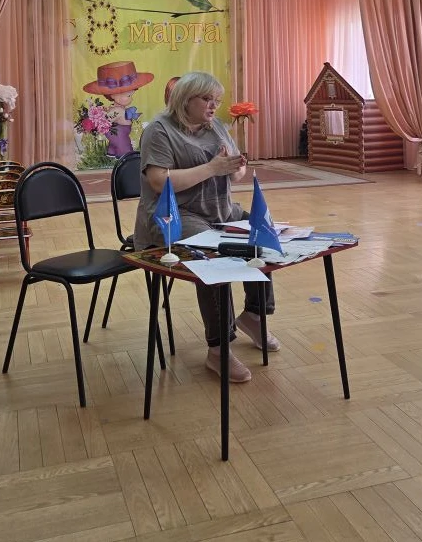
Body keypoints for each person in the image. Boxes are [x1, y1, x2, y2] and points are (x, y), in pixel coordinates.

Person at [134, 71, 279, 383]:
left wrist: (234, 168)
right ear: (186, 99)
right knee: (214, 257)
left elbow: (233, 174)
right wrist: (212, 167)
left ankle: (254, 315)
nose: (214, 106)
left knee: (262, 234)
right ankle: (219, 348)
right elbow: (159, 181)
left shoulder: (216, 127)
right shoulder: (159, 130)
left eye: (217, 100)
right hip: (174, 217)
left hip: (219, 210)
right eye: (207, 99)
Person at [83, 61, 154, 158]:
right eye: (128, 96)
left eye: (131, 95)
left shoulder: (117, 108)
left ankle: (112, 151)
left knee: (114, 150)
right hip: (120, 137)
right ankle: (122, 154)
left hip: (117, 136)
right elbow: (105, 120)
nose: (131, 99)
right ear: (113, 95)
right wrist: (98, 118)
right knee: (126, 152)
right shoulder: (118, 111)